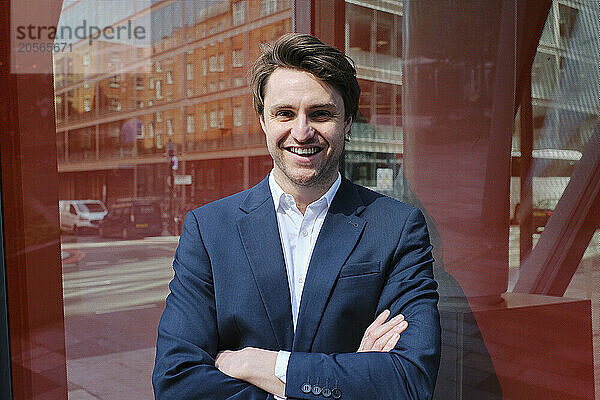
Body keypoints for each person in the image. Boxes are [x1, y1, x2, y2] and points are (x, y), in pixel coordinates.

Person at [152, 33, 441, 399]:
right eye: (284, 113)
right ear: (263, 121)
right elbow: (176, 382)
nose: (301, 132)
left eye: (321, 113)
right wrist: (345, 377)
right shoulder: (209, 230)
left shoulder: (397, 228)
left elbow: (408, 381)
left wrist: (259, 365)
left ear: (348, 121)